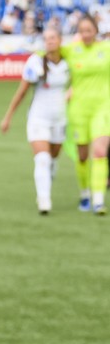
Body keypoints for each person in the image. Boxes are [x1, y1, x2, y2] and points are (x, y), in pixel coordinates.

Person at [0, 27, 69, 214]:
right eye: (46, 38)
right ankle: (44, 200)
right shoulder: (36, 62)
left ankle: (45, 188)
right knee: (43, 159)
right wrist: (8, 117)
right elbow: (22, 92)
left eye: (53, 37)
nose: (50, 41)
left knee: (53, 159)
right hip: (39, 117)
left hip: (60, 119)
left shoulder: (69, 62)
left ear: (60, 40)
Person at [61, 13, 110, 214]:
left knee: (99, 152)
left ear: (96, 31)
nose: (86, 34)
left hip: (103, 107)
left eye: (89, 30)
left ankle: (99, 200)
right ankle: (84, 194)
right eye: (82, 31)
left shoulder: (106, 49)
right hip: (79, 108)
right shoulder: (72, 50)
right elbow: (49, 53)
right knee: (82, 155)